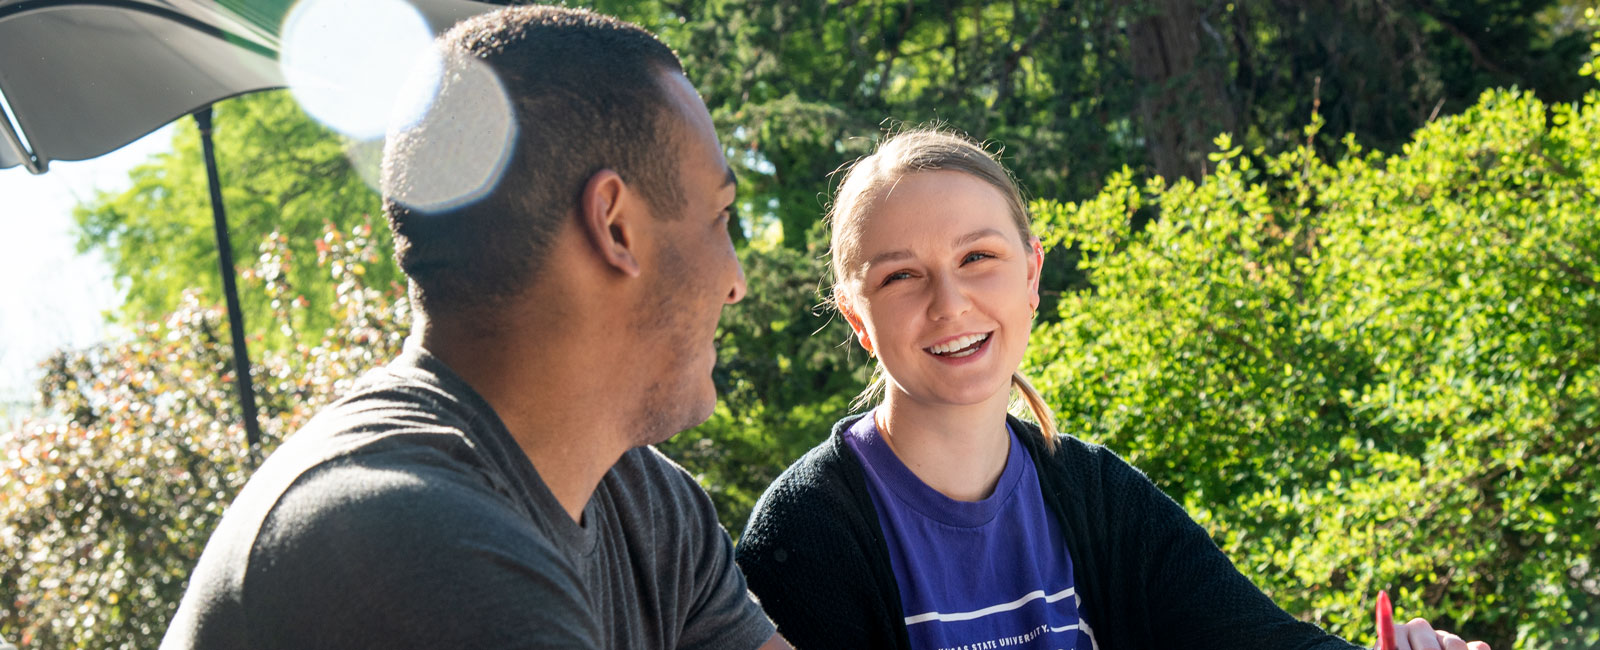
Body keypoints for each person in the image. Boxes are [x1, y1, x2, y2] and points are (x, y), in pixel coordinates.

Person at [163, 6, 789, 649]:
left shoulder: (648, 508)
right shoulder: (408, 537)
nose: (735, 280)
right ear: (616, 226)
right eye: (720, 216)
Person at [733, 128, 1489, 650]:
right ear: (856, 317)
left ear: (1032, 275)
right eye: (901, 275)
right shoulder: (808, 534)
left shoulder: (1095, 493)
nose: (949, 302)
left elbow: (1252, 638)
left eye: (978, 257)